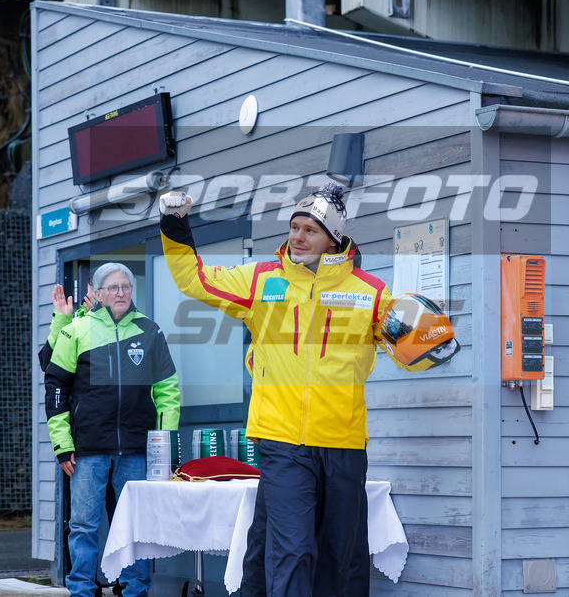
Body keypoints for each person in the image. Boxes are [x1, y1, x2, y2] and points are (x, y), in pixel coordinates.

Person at [160, 181, 432, 596]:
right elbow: (192, 280)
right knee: (293, 549)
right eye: (295, 226)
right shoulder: (260, 281)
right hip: (281, 439)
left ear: (333, 239)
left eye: (310, 229)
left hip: (342, 440)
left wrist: (432, 341)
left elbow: (409, 354)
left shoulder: (370, 291)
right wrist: (175, 225)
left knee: (342, 552)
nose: (298, 236)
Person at [44, 263, 181, 597]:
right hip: (88, 450)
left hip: (136, 451)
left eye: (126, 287)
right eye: (113, 288)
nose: (121, 293)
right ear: (99, 294)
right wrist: (63, 445)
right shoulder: (76, 330)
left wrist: (164, 447)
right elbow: (56, 388)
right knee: (84, 527)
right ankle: (81, 590)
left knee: (136, 527)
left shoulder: (150, 331)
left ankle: (135, 590)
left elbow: (168, 391)